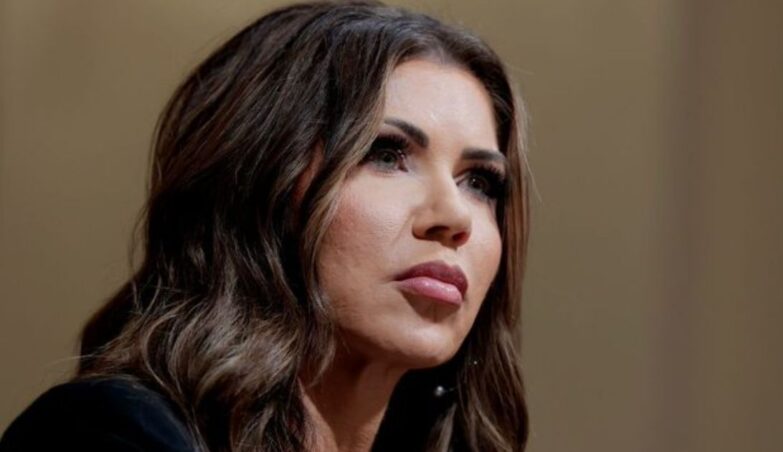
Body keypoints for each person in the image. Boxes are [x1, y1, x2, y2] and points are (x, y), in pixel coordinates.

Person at [0, 1, 530, 451]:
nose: (454, 217)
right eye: (386, 154)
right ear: (261, 183)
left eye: (480, 182)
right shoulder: (108, 434)